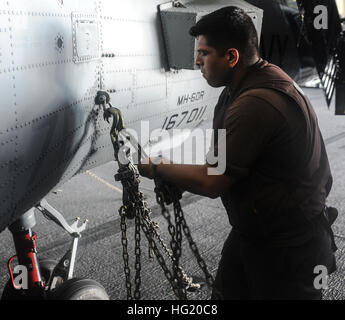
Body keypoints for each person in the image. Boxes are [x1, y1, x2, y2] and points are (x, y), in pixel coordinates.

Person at [138, 6, 337, 299]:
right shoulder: (239, 89)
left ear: (231, 57)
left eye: (204, 53)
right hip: (255, 233)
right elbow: (218, 165)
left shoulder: (256, 103)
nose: (196, 61)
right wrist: (179, 178)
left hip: (290, 248)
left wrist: (158, 167)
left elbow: (213, 180)